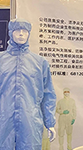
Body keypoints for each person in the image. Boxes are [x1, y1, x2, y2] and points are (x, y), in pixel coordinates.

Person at [0, 19, 57, 149]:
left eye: (24, 31)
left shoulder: (40, 63)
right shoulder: (1, 60)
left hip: (30, 120)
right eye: (17, 30)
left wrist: (50, 123)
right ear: (10, 32)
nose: (21, 34)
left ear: (29, 33)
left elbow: (48, 94)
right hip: (3, 120)